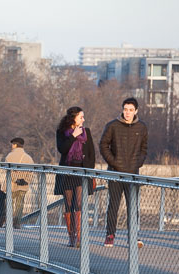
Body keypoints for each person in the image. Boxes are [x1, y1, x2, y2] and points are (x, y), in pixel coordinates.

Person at [99, 97, 148, 248]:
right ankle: (110, 235)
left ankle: (133, 236)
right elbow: (103, 145)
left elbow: (144, 149)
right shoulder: (112, 126)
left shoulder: (142, 127)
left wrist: (137, 163)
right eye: (125, 109)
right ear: (122, 110)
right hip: (115, 172)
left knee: (133, 206)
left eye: (131, 110)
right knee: (113, 205)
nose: (127, 113)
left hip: (133, 173)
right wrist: (113, 162)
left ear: (136, 111)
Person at [54, 106, 96, 247]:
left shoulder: (86, 132)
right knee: (68, 203)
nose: (83, 120)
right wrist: (73, 136)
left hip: (81, 172)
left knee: (78, 203)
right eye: (81, 117)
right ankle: (71, 236)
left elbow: (91, 154)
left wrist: (89, 172)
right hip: (67, 172)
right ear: (73, 118)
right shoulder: (62, 132)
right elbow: (62, 149)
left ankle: (78, 237)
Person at [4, 137, 34, 228]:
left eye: (12, 144)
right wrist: (26, 180)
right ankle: (17, 222)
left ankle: (9, 222)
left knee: (9, 203)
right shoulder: (28, 158)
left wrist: (16, 179)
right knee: (20, 204)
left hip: (12, 185)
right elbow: (31, 171)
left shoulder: (9, 156)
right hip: (23, 186)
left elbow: (9, 171)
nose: (11, 146)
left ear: (15, 145)